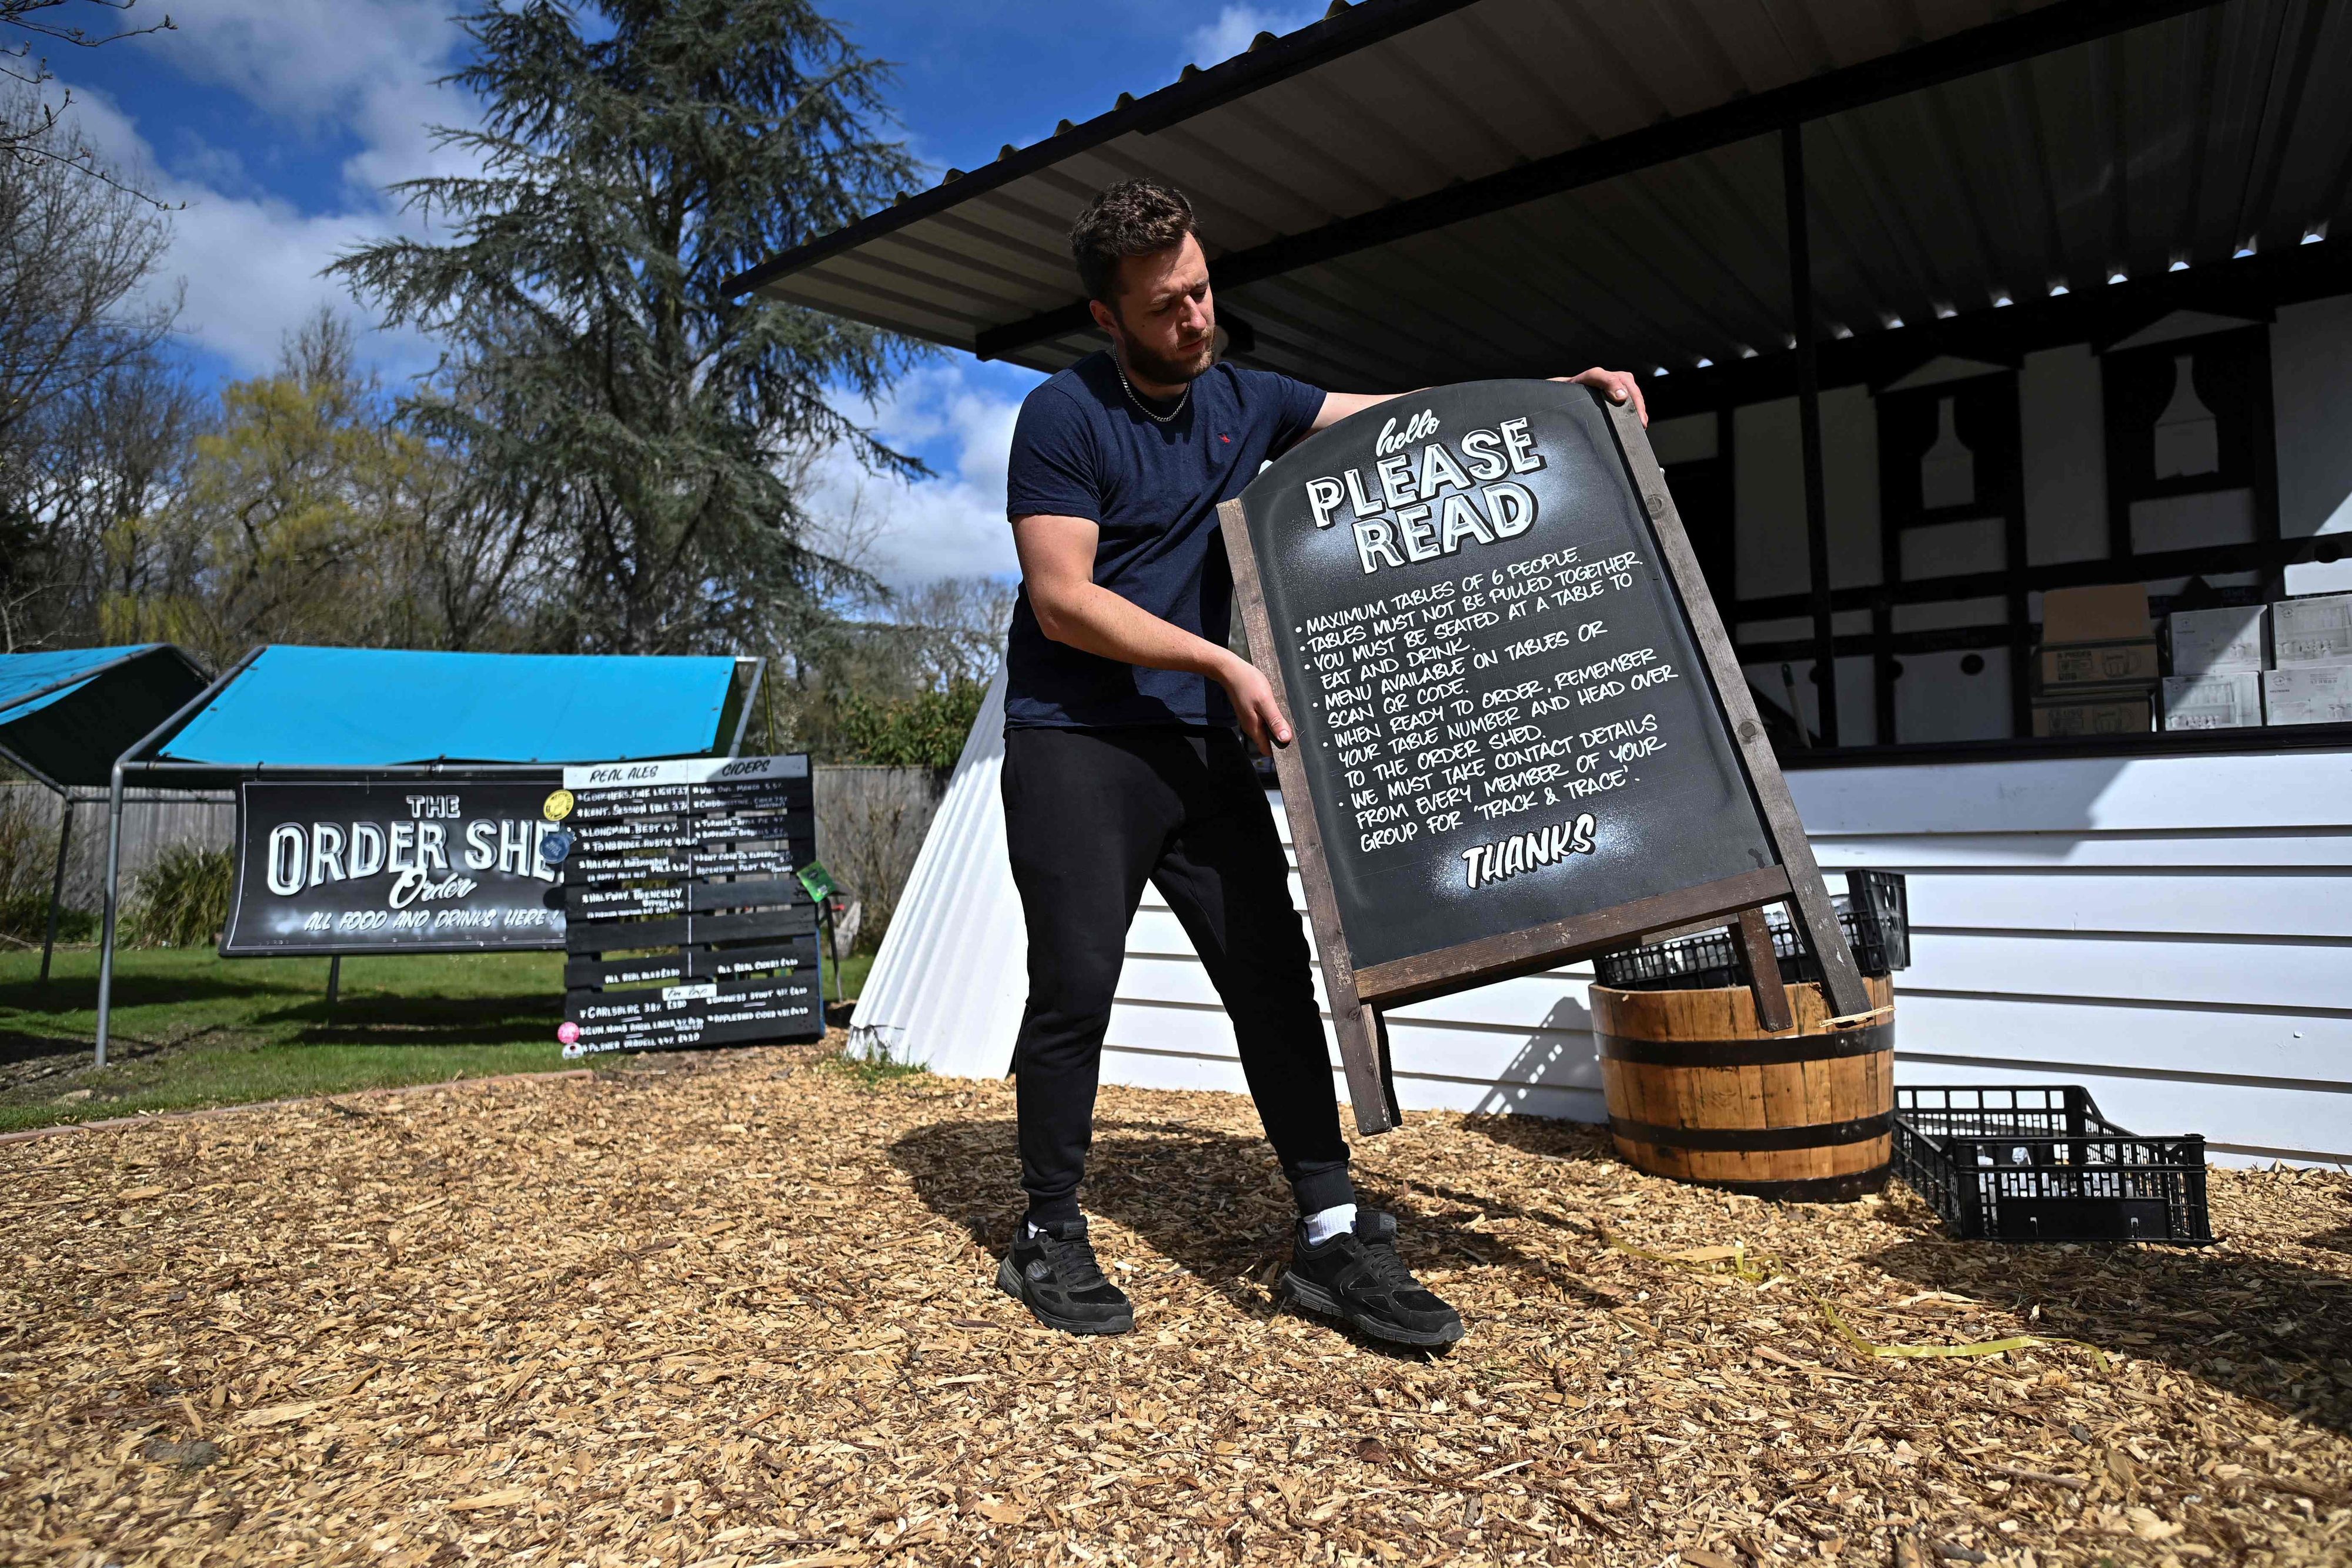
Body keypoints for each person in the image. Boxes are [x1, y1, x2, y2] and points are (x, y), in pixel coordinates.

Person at [996, 178, 1646, 1344]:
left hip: (1200, 743)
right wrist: (1222, 661)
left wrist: (1555, 399)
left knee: (1272, 982)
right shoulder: (1064, 415)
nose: (1193, 319)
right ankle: (1047, 1231)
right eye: (1162, 307)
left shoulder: (1246, 397)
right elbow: (1062, 600)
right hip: (1078, 743)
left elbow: (1392, 419)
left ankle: (1331, 1231)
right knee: (1075, 989)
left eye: (1198, 290)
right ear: (1106, 317)